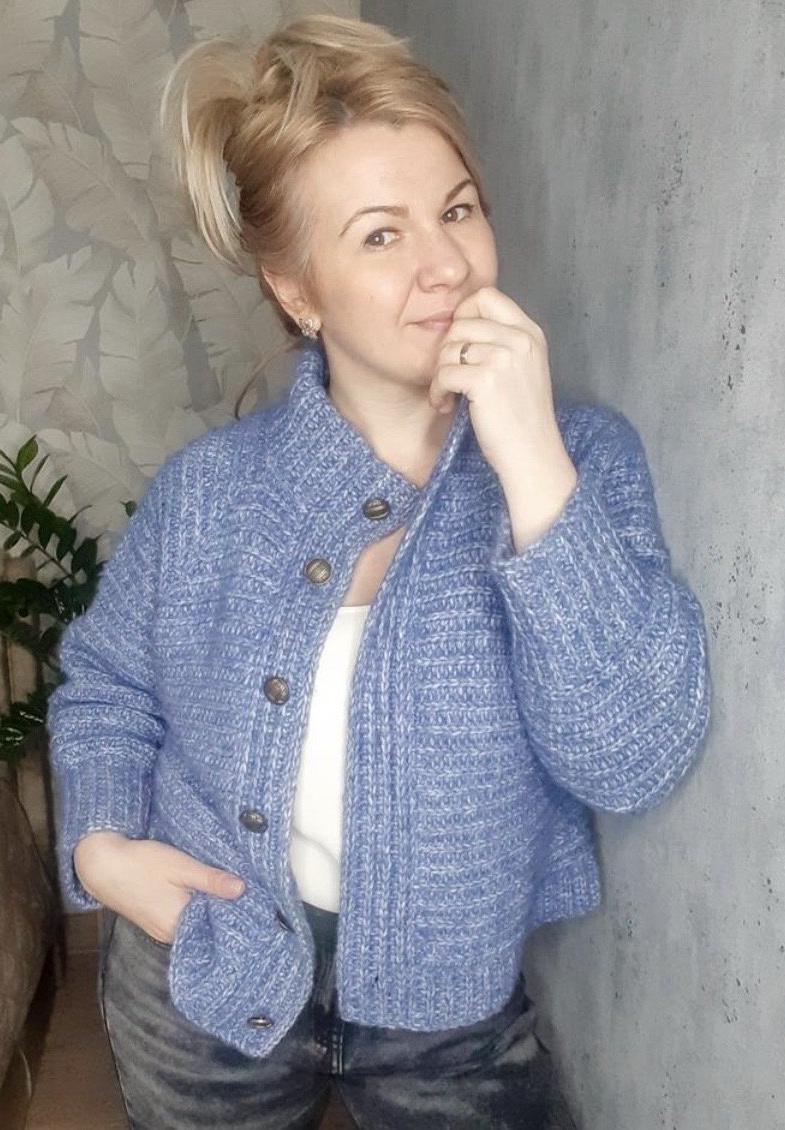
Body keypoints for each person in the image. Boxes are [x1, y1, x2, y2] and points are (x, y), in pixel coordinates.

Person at [48, 15, 710, 1130]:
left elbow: (631, 756)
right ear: (297, 290)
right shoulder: (208, 493)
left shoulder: (579, 463)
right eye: (380, 235)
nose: (445, 264)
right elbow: (107, 686)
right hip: (202, 973)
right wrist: (102, 847)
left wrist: (529, 461)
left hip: (452, 1008)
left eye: (457, 210)